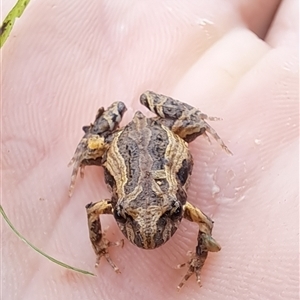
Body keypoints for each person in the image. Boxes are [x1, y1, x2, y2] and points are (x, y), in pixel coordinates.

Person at [2, 0, 298, 299]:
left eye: (169, 214)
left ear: (177, 204)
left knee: (191, 125)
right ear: (118, 206)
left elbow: (205, 224)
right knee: (92, 149)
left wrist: (199, 258)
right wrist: (98, 242)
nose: (148, 233)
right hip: (126, 141)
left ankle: (192, 120)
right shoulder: (154, 208)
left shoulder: (179, 207)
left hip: (163, 132)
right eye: (126, 217)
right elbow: (94, 211)